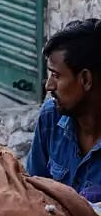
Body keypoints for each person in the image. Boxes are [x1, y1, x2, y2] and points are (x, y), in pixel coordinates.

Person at [25, 19, 101, 202]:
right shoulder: (51, 116)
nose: (49, 86)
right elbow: (31, 192)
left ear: (85, 79)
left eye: (56, 75)